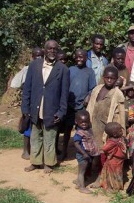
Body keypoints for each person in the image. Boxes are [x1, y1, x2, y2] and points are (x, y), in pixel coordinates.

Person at [22, 40, 69, 173]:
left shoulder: (63, 69)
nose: (52, 51)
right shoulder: (34, 65)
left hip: (51, 110)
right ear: (45, 49)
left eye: (55, 49)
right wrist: (25, 108)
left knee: (50, 138)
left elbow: (64, 94)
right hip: (35, 108)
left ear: (57, 50)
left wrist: (61, 112)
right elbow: (27, 88)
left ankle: (49, 163)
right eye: (49, 48)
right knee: (35, 137)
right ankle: (36, 162)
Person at [86, 66, 126, 187]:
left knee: (104, 154)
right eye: (107, 77)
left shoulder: (118, 94)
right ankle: (87, 173)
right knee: (91, 150)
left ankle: (100, 178)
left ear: (116, 79)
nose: (109, 80)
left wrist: (120, 131)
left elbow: (121, 115)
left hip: (107, 129)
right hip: (94, 125)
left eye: (112, 78)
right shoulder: (97, 89)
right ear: (103, 77)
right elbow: (90, 106)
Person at [60, 49, 97, 161]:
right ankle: (64, 150)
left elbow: (92, 88)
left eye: (82, 57)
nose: (79, 59)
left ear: (86, 58)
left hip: (82, 106)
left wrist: (88, 96)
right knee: (67, 129)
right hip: (70, 105)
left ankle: (84, 152)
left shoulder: (89, 72)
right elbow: (65, 86)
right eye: (77, 57)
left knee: (83, 131)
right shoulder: (70, 70)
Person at [11, 47, 44, 159]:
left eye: (41, 56)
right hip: (29, 103)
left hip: (40, 103)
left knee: (38, 127)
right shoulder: (26, 69)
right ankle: (26, 151)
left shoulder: (45, 68)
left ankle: (37, 151)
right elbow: (14, 84)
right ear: (32, 57)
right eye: (36, 56)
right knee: (28, 127)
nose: (38, 58)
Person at [73, 110, 99, 194]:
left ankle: (78, 182)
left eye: (86, 122)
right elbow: (76, 144)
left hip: (88, 154)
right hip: (82, 155)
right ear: (76, 122)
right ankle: (82, 187)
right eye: (81, 122)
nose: (84, 124)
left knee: (83, 170)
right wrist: (84, 154)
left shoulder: (89, 129)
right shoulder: (79, 133)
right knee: (81, 171)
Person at [99, 122, 127, 191]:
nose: (122, 131)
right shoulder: (111, 142)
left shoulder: (120, 138)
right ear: (114, 134)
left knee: (118, 173)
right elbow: (104, 149)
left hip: (119, 160)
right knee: (113, 174)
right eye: (120, 131)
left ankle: (118, 186)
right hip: (113, 161)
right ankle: (112, 187)